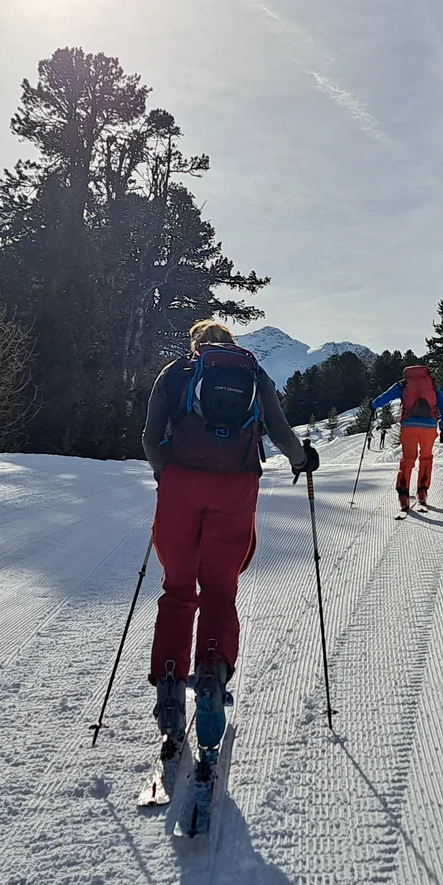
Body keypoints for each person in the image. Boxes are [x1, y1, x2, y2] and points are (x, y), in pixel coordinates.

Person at [142, 320, 317, 783]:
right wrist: (302, 460)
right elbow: (280, 432)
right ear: (232, 345)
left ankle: (170, 688)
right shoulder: (254, 374)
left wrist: (166, 475)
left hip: (180, 485)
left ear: (196, 344)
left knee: (178, 589)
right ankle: (212, 676)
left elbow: (149, 438)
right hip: (236, 486)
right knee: (219, 589)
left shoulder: (177, 372)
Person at [370, 363, 443, 513]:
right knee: (426, 457)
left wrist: (373, 405)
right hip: (429, 427)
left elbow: (386, 397)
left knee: (408, 459)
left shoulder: (404, 384)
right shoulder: (432, 385)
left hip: (409, 426)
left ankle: (403, 494)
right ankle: (422, 491)